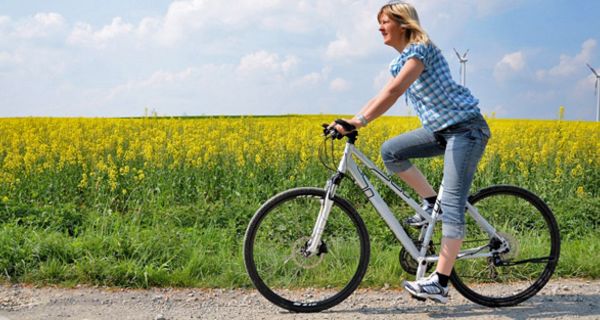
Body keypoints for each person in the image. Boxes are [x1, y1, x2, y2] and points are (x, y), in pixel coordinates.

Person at [330, 0, 491, 303]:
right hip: (442, 130)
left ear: (403, 24)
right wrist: (351, 122)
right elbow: (382, 93)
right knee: (391, 151)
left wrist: (358, 121)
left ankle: (441, 283)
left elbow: (393, 92)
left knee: (454, 203)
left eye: (384, 22)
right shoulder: (402, 60)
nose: (379, 28)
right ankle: (432, 203)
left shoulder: (422, 49)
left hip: (466, 130)